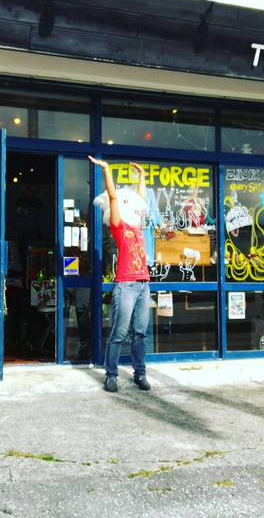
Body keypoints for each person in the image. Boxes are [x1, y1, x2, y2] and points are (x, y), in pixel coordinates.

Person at [89, 156, 152, 393]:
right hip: (125, 285)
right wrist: (107, 170)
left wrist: (142, 176)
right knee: (119, 333)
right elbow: (113, 197)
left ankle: (140, 374)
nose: (129, 204)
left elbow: (141, 200)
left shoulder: (137, 225)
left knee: (140, 333)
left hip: (143, 284)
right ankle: (111, 375)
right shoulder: (118, 226)